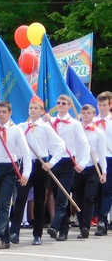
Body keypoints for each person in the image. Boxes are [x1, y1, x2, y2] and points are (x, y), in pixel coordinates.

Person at [11, 97, 66, 245]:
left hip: (41, 164)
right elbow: (12, 143)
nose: (33, 110)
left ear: (42, 111)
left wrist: (51, 163)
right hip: (25, 165)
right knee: (20, 198)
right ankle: (14, 231)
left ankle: (37, 234)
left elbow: (60, 145)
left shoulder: (46, 127)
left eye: (36, 108)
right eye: (31, 108)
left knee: (40, 200)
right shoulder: (21, 127)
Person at [0, 100, 31, 249]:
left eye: (4, 112)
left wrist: (26, 174)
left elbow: (25, 153)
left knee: (5, 203)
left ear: (10, 113)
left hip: (10, 169)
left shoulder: (16, 130)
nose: (1, 114)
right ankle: (6, 239)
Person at [46, 95, 90, 241]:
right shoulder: (51, 121)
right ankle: (62, 229)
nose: (60, 105)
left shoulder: (75, 124)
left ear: (69, 106)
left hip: (68, 162)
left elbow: (84, 145)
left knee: (62, 196)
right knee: (56, 194)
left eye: (64, 103)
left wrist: (82, 163)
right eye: (58, 103)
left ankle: (56, 226)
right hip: (53, 161)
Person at [73, 105, 106, 239]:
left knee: (89, 197)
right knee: (78, 198)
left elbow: (102, 154)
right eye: (83, 112)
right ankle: (82, 225)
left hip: (93, 167)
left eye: (88, 113)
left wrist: (104, 172)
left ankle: (86, 226)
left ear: (93, 115)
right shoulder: (76, 129)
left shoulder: (98, 132)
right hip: (77, 167)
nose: (85, 115)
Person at [95, 92, 112, 236]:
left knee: (107, 190)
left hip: (110, 158)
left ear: (110, 105)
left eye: (104, 105)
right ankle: (99, 219)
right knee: (97, 192)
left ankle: (102, 220)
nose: (102, 108)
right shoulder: (92, 122)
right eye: (99, 105)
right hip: (96, 160)